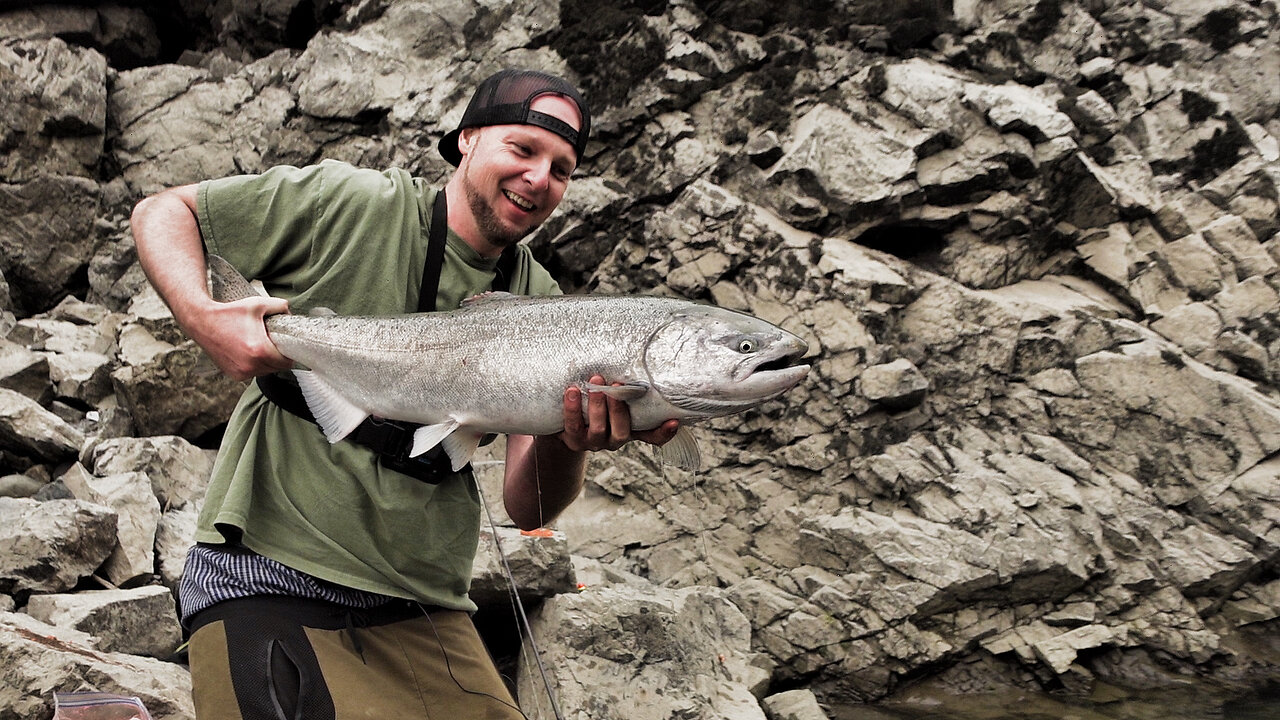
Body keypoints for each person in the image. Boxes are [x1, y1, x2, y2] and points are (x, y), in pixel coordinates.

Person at [130, 68, 679, 720]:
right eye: (523, 149)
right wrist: (200, 315)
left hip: (425, 604)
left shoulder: (544, 305)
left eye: (562, 169)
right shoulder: (353, 202)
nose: (540, 178)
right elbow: (165, 211)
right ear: (468, 138)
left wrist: (573, 441)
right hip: (268, 570)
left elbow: (528, 506)